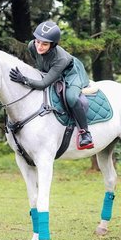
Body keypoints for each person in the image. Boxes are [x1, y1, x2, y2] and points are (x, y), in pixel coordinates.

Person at [9, 21, 94, 150]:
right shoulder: (32, 46)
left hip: (72, 74)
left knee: (71, 97)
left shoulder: (61, 59)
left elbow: (43, 84)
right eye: (38, 41)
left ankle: (85, 133)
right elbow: (40, 63)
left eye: (45, 44)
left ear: (53, 45)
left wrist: (24, 80)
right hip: (52, 71)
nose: (39, 46)